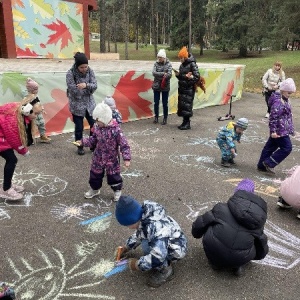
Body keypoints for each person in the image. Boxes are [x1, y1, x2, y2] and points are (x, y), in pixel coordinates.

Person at [191, 179, 269, 276]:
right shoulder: (257, 222)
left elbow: (200, 224)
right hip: (240, 258)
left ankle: (215, 263)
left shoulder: (220, 208)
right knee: (251, 243)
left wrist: (196, 233)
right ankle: (236, 265)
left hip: (214, 250)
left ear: (237, 194)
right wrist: (252, 257)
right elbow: (262, 247)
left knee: (211, 225)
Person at [115, 195, 187, 288]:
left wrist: (138, 265)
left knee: (149, 248)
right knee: (147, 241)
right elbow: (140, 233)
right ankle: (159, 263)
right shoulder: (145, 215)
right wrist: (126, 247)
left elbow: (158, 257)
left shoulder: (154, 228)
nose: (128, 227)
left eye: (127, 225)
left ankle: (166, 270)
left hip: (176, 249)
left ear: (132, 220)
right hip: (171, 238)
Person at [76, 102, 131, 202]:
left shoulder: (116, 130)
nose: (96, 122)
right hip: (98, 157)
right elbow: (93, 140)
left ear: (104, 119)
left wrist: (126, 158)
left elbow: (124, 144)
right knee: (95, 175)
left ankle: (117, 191)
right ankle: (95, 189)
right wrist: (83, 142)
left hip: (111, 159)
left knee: (114, 176)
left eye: (97, 120)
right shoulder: (97, 128)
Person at [0, 96, 43, 200]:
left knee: (11, 159)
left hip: (2, 136)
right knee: (12, 159)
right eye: (35, 114)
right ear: (27, 110)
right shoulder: (13, 120)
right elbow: (14, 139)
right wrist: (23, 151)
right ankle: (6, 189)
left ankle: (8, 183)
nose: (36, 116)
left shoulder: (21, 114)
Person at [257, 78, 296, 175]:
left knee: (269, 147)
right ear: (282, 90)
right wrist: (273, 131)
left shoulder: (285, 99)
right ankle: (269, 163)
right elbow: (273, 117)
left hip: (282, 129)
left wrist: (291, 129)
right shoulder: (279, 102)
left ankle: (261, 166)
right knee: (287, 148)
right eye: (288, 92)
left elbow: (287, 117)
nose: (289, 94)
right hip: (280, 131)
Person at [66, 52, 97, 155]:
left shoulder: (90, 71)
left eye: (86, 66)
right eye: (81, 67)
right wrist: (86, 89)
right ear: (77, 66)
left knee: (94, 125)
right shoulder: (70, 73)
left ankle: (93, 144)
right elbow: (73, 90)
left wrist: (86, 85)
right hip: (77, 105)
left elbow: (95, 85)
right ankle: (80, 145)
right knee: (79, 127)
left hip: (89, 104)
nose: (84, 69)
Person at [174, 46, 200, 130]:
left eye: (181, 58)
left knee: (187, 106)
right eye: (179, 58)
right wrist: (178, 75)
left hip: (188, 89)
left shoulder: (192, 64)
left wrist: (189, 83)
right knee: (183, 105)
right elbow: (183, 76)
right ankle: (184, 122)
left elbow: (197, 77)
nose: (180, 60)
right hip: (182, 88)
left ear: (185, 57)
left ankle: (187, 123)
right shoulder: (182, 65)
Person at [24, 78, 51, 143]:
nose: (37, 91)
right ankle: (31, 138)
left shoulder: (36, 96)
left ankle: (43, 135)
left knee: (42, 124)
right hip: (33, 114)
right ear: (31, 90)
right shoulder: (27, 97)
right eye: (35, 89)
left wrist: (42, 109)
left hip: (39, 113)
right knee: (33, 126)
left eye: (37, 89)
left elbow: (39, 103)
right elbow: (26, 106)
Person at [151, 49, 172, 125]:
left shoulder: (169, 64)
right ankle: (156, 117)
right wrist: (163, 74)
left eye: (160, 57)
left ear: (164, 57)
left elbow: (169, 75)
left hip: (165, 86)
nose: (159, 59)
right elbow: (153, 73)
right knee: (156, 102)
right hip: (156, 86)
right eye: (158, 57)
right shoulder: (155, 64)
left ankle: (165, 118)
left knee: (164, 103)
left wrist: (159, 75)